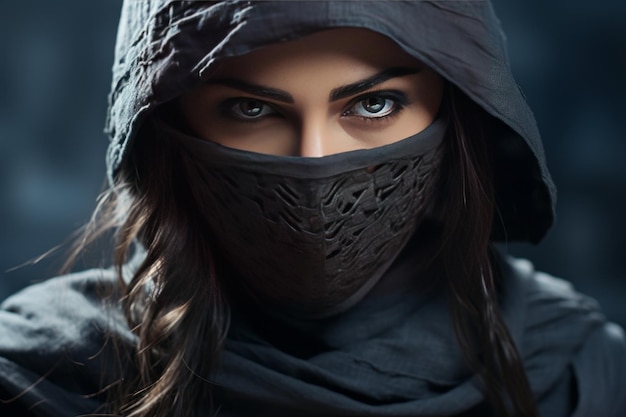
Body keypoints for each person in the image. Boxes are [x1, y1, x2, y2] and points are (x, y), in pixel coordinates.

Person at [0, 1, 624, 416]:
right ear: (167, 132)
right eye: (251, 110)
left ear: (456, 117)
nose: (314, 161)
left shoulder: (579, 375)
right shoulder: (42, 375)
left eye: (374, 105)